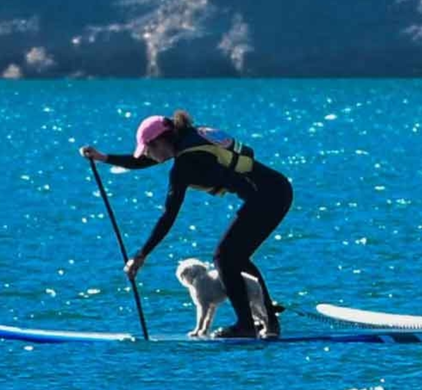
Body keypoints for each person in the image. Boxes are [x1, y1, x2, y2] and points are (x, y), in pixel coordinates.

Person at [80, 110, 292, 338]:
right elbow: (144, 161)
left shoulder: (186, 164)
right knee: (234, 257)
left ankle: (247, 326)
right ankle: (268, 323)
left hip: (268, 197)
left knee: (225, 256)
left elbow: (168, 216)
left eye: (149, 149)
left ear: (161, 140)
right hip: (274, 190)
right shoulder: (190, 138)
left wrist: (142, 255)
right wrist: (103, 158)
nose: (148, 156)